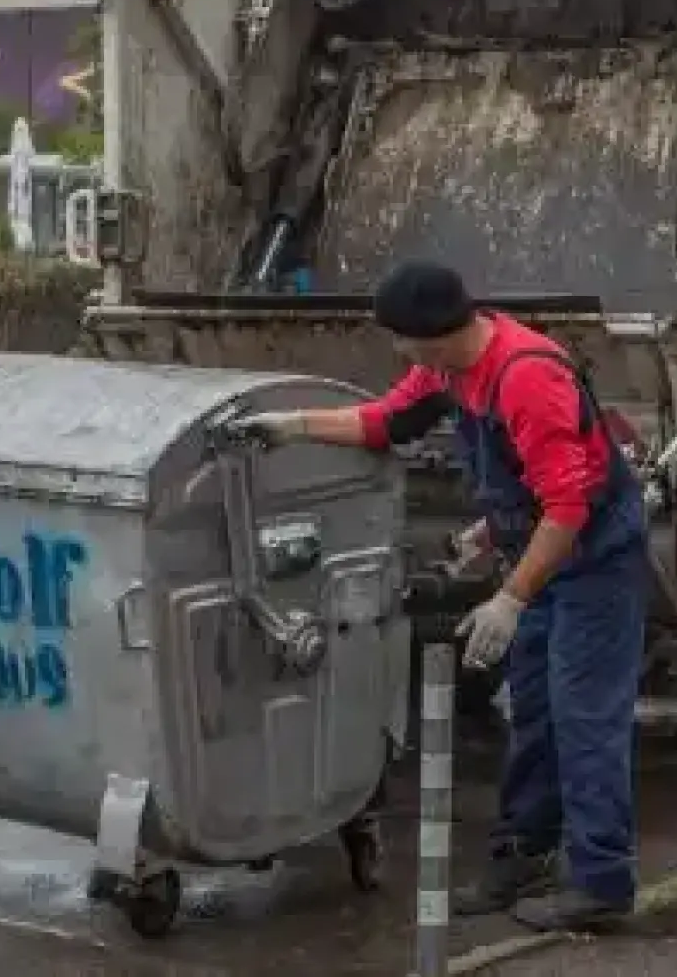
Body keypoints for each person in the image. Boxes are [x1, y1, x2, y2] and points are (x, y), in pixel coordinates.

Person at [230, 260, 647, 932]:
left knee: (584, 717)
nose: (400, 354)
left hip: (593, 560)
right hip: (540, 547)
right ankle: (525, 856)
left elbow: (569, 506)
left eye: (402, 340)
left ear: (432, 334)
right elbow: (384, 424)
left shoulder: (526, 377)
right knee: (535, 714)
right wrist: (294, 426)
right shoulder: (450, 371)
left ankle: (602, 882)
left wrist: (510, 598)